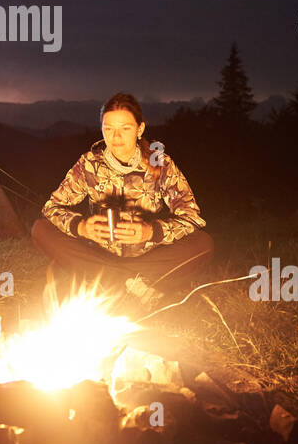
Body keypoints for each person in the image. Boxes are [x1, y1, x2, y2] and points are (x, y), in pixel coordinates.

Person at [31, 92, 214, 313]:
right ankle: (133, 282)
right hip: (99, 251)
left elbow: (192, 216)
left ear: (140, 129)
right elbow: (51, 207)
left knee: (204, 244)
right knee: (40, 229)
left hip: (148, 255)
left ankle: (108, 279)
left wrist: (152, 231)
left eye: (125, 128)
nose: (116, 137)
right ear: (101, 129)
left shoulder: (159, 163)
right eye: (108, 129)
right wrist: (81, 227)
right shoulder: (89, 164)